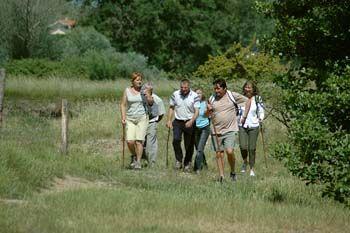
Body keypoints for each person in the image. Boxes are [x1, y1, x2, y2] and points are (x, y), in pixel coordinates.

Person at [207, 79, 247, 183]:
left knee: (229, 151)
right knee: (219, 154)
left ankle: (233, 172)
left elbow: (248, 101)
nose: (216, 91)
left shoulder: (232, 95)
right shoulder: (211, 98)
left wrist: (244, 115)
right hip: (216, 130)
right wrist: (208, 110)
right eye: (215, 88)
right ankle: (221, 176)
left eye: (218, 89)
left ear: (225, 88)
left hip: (230, 129)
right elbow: (206, 115)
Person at [120, 72, 153, 169]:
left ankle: (138, 162)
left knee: (139, 141)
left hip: (142, 118)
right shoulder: (127, 90)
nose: (139, 82)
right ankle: (135, 156)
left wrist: (148, 95)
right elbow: (123, 104)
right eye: (137, 80)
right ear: (133, 81)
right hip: (130, 118)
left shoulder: (144, 90)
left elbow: (151, 103)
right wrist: (123, 117)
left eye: (140, 80)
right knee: (130, 141)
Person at [166, 79, 200, 171]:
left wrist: (192, 120)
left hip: (190, 121)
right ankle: (178, 160)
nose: (183, 89)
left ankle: (187, 163)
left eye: (185, 87)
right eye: (182, 87)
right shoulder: (175, 94)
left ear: (189, 87)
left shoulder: (195, 96)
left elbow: (197, 111)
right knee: (176, 140)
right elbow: (171, 107)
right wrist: (169, 120)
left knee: (188, 144)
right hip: (178, 121)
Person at [238, 80, 264, 177]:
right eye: (246, 87)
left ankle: (252, 168)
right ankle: (245, 162)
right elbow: (237, 111)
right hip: (242, 125)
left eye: (249, 87)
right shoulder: (240, 98)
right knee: (243, 146)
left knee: (252, 148)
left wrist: (261, 118)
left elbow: (261, 111)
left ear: (253, 89)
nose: (247, 89)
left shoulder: (257, 99)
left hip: (254, 125)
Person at [141, 82, 166, 167]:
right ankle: (140, 159)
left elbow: (161, 114)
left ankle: (152, 163)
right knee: (139, 141)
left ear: (151, 91)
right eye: (143, 89)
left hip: (152, 122)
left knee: (151, 143)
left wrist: (155, 122)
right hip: (140, 122)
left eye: (146, 90)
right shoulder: (140, 97)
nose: (144, 91)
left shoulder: (157, 100)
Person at [193, 88, 210, 173]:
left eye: (199, 93)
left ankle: (197, 168)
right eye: (196, 93)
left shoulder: (206, 103)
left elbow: (209, 116)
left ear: (202, 94)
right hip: (195, 128)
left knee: (199, 149)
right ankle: (205, 164)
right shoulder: (193, 104)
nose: (198, 95)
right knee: (198, 149)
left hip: (205, 128)